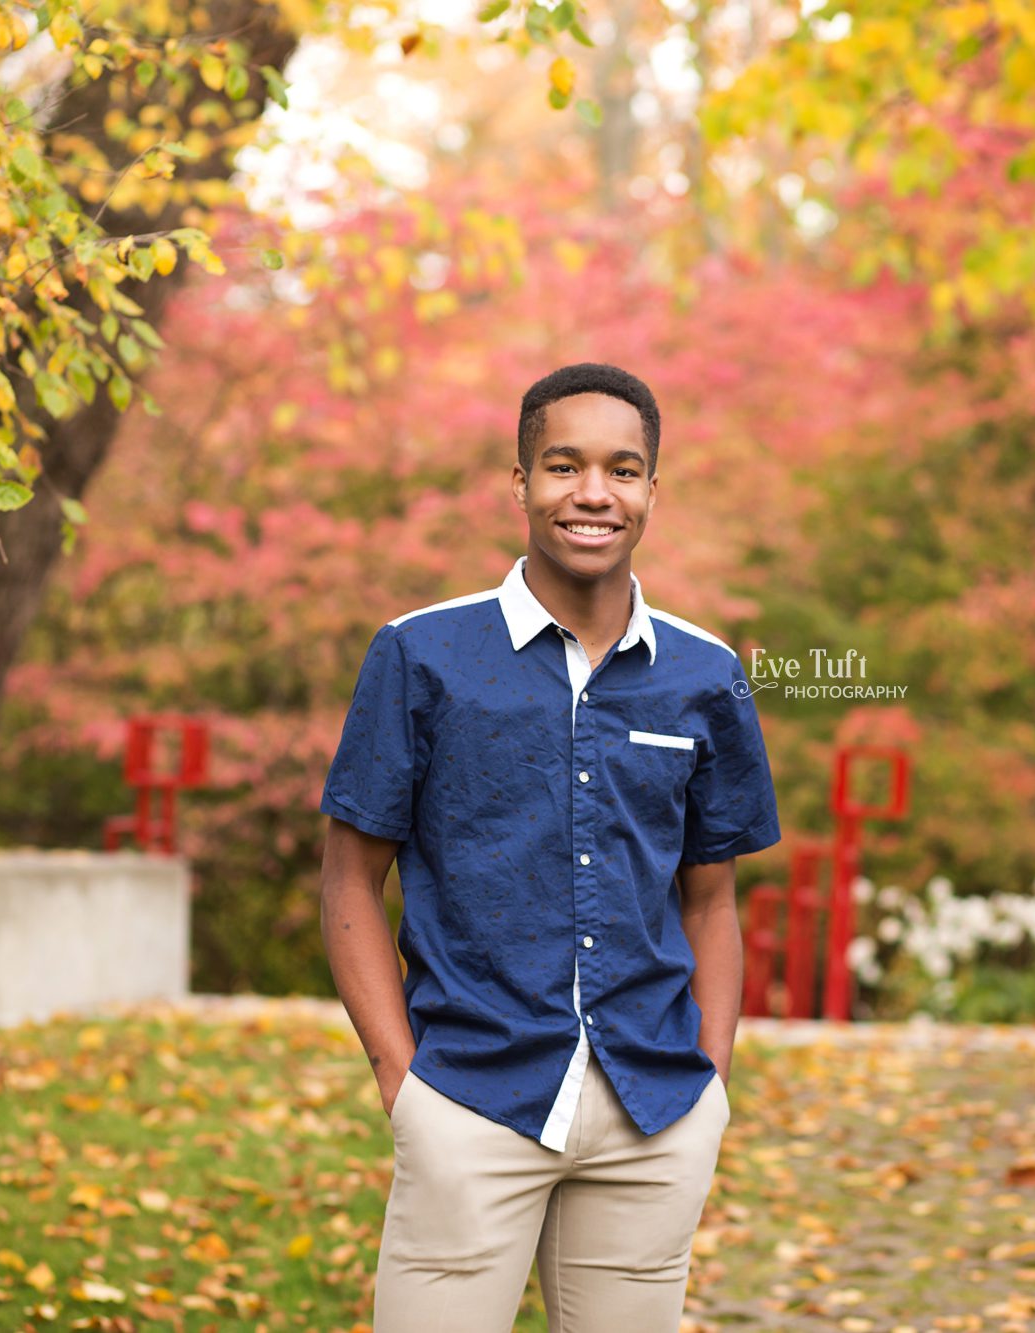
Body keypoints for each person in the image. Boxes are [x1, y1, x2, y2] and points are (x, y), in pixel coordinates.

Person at [318, 362, 782, 1332]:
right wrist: (400, 1081)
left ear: (652, 489)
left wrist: (710, 1081)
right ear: (519, 482)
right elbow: (351, 875)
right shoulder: (419, 654)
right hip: (468, 1098)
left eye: (622, 469)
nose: (592, 492)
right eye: (562, 465)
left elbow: (710, 902)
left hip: (653, 1110)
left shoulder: (705, 675)